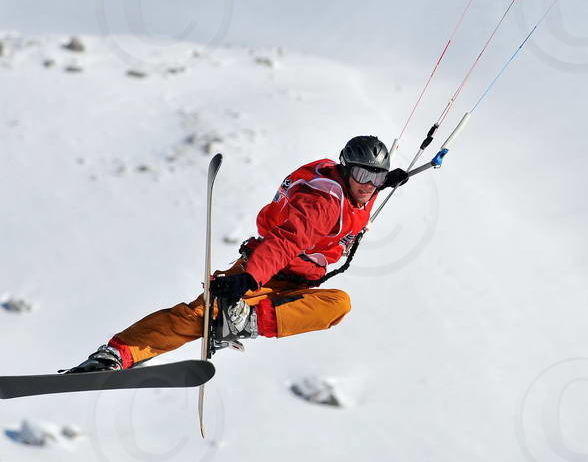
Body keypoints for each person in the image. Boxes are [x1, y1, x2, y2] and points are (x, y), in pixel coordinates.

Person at [66, 135, 409, 372]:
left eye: (377, 177)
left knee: (338, 304)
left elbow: (362, 192)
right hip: (265, 271)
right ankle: (115, 355)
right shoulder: (323, 204)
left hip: (294, 284)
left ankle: (242, 321)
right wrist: (248, 278)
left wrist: (387, 181)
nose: (369, 185)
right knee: (199, 317)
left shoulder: (356, 186)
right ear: (346, 170)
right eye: (362, 175)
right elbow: (287, 241)